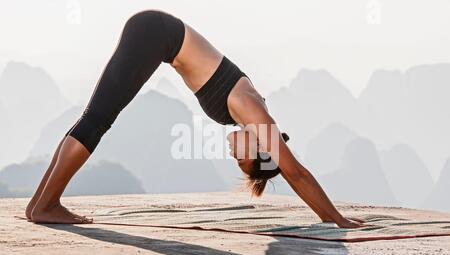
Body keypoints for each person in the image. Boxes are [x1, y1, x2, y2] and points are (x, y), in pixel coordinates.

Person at [25, 9, 364, 228]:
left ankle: (39, 204)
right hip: (155, 34)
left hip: (154, 34)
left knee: (95, 116)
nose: (234, 156)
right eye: (243, 160)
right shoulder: (253, 111)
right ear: (261, 146)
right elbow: (296, 172)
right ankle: (48, 204)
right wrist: (336, 218)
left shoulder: (247, 114)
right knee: (98, 119)